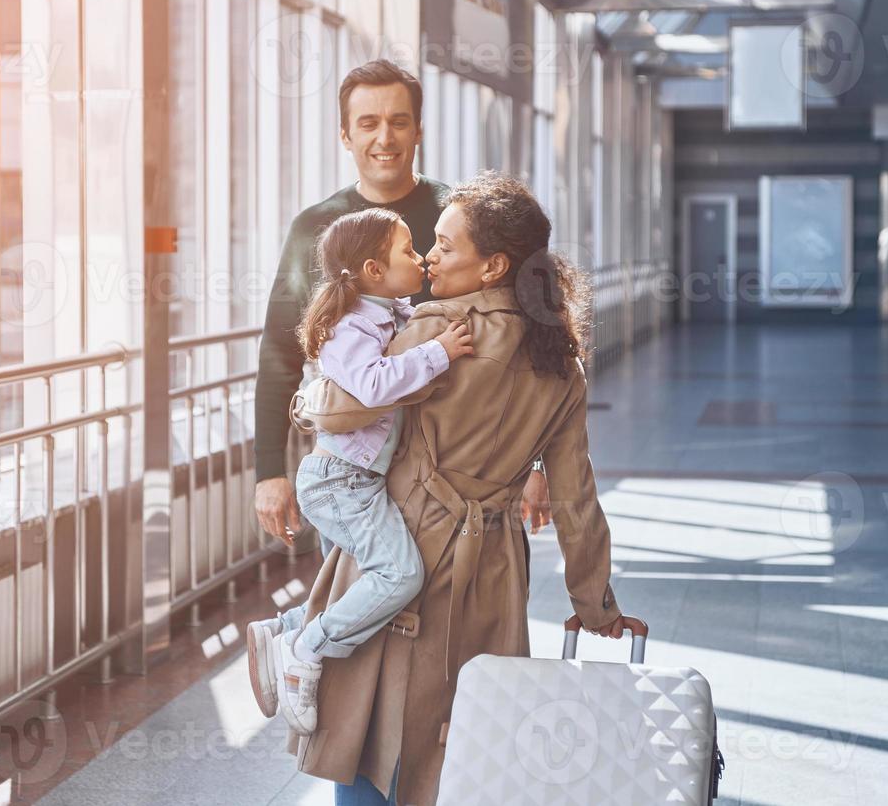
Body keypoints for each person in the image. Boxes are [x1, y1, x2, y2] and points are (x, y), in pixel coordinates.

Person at [287, 173, 642, 806]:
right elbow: (576, 498)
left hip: (402, 540)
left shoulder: (432, 333)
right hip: (493, 568)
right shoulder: (562, 363)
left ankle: (289, 638)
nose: (430, 258)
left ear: (492, 265)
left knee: (373, 734)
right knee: (467, 743)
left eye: (446, 247)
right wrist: (596, 607)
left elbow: (342, 411)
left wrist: (310, 400)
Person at [250, 62, 553, 630]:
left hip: (459, 473)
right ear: (345, 135)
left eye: (398, 121)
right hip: (357, 472)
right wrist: (269, 470)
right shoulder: (314, 228)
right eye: (367, 123)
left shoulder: (459, 216)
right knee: (362, 611)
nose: (383, 138)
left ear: (418, 130)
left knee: (451, 629)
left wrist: (535, 461)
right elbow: (278, 353)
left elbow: (521, 341)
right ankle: (311, 671)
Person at [246, 209, 475, 735]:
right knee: (400, 575)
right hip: (339, 482)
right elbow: (373, 387)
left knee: (361, 579)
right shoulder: (350, 327)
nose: (420, 259)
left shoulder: (390, 313)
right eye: (408, 251)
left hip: (360, 480)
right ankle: (306, 651)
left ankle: (282, 628)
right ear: (374, 269)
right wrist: (438, 352)